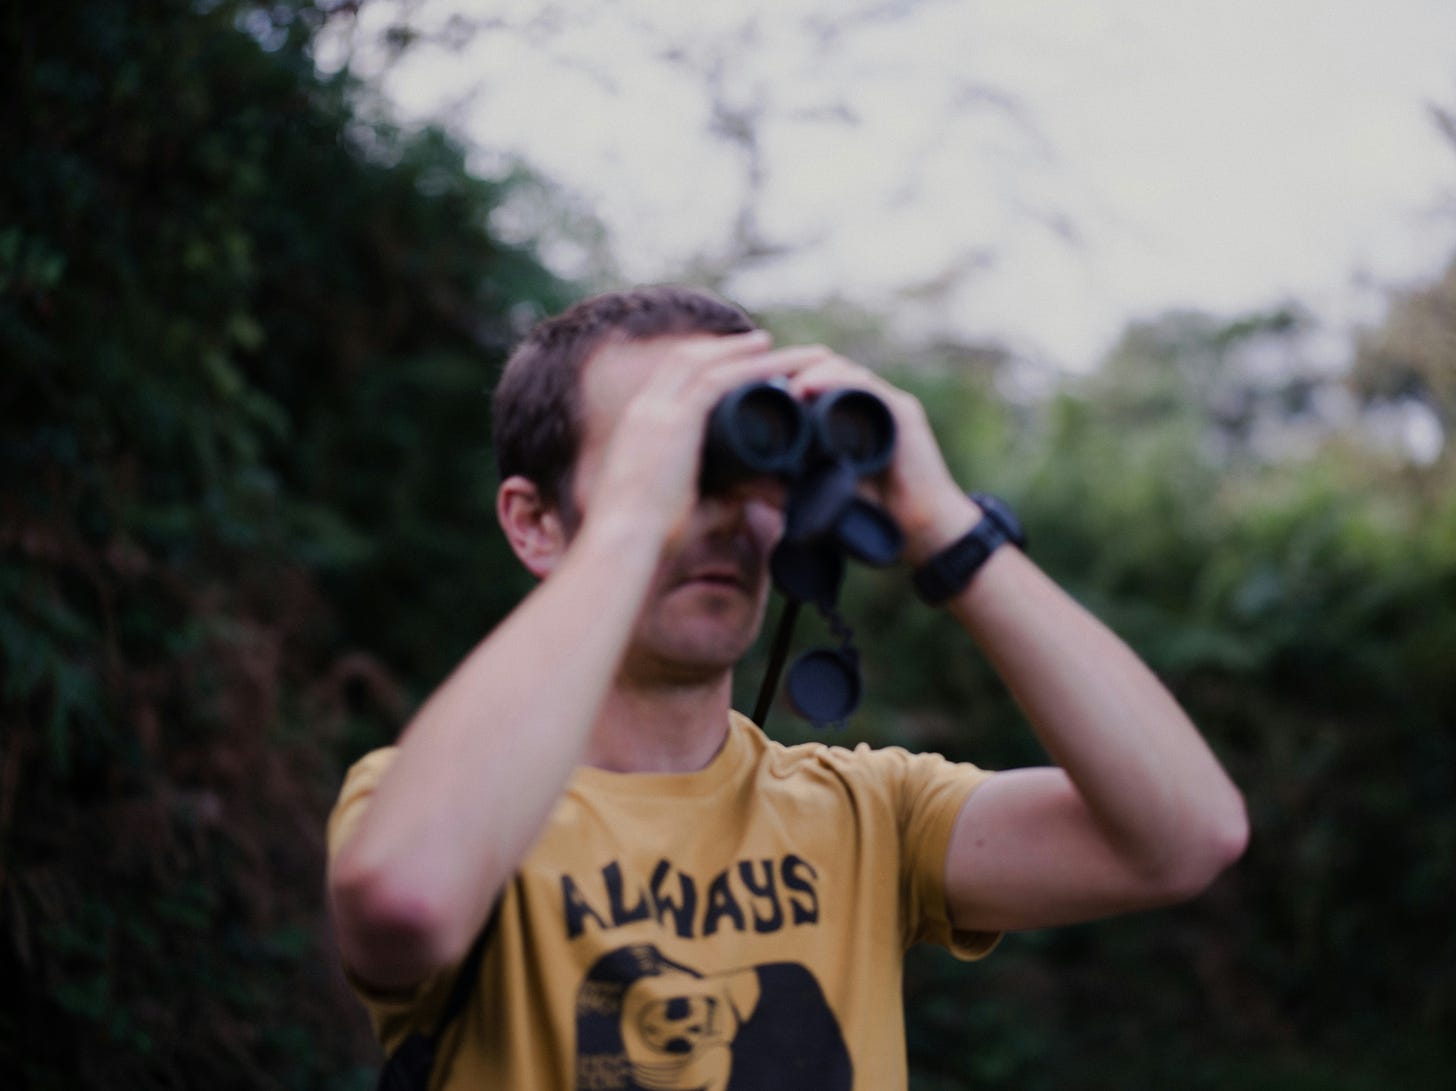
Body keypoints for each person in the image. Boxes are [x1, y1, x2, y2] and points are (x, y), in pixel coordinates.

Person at [326, 285, 1248, 1089]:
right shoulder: (432, 804)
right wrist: (635, 523)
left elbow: (1186, 836)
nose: (723, 516)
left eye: (742, 469)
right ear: (535, 522)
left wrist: (945, 526)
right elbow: (408, 898)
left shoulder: (867, 814)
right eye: (669, 462)